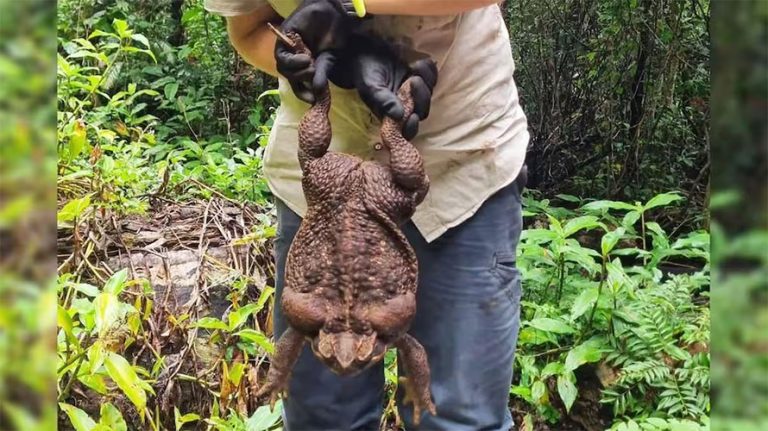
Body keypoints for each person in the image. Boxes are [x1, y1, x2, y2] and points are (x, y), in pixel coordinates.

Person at [205, 1, 529, 429]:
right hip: (322, 186)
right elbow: (249, 31)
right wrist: (319, 62)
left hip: (460, 162)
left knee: (459, 417)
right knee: (322, 419)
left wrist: (348, 5)